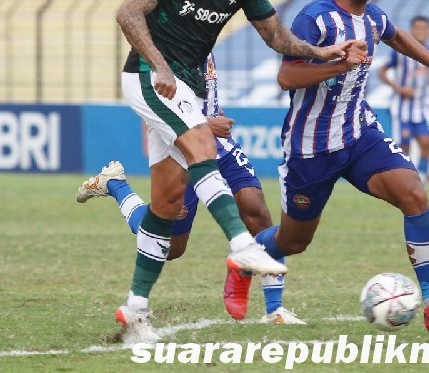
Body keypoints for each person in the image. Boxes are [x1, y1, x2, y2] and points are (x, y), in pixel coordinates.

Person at [111, 0, 365, 343]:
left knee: (167, 204)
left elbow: (276, 36)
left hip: (185, 86)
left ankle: (134, 311)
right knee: (202, 145)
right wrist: (157, 65)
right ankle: (242, 246)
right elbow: (128, 12)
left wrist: (322, 52)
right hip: (148, 75)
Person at [253, 0, 429, 333]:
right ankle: (248, 255)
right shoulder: (315, 18)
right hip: (312, 149)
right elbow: (287, 76)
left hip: (359, 135)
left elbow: (396, 36)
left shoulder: (373, 16)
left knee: (414, 192)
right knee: (293, 242)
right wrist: (339, 64)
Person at [77, 53, 304, 325]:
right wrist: (207, 124)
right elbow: (157, 109)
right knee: (171, 246)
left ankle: (275, 309)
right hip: (183, 148)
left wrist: (213, 115)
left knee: (256, 209)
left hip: (219, 145)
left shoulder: (200, 38)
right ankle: (115, 184)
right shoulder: (162, 52)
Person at [378, 15, 429, 184]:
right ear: (411, 31)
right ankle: (405, 179)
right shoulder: (400, 53)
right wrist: (399, 88)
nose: (421, 32)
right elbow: (381, 72)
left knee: (426, 142)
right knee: (404, 146)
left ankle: (422, 178)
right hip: (402, 107)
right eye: (417, 28)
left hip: (421, 107)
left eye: (424, 28)